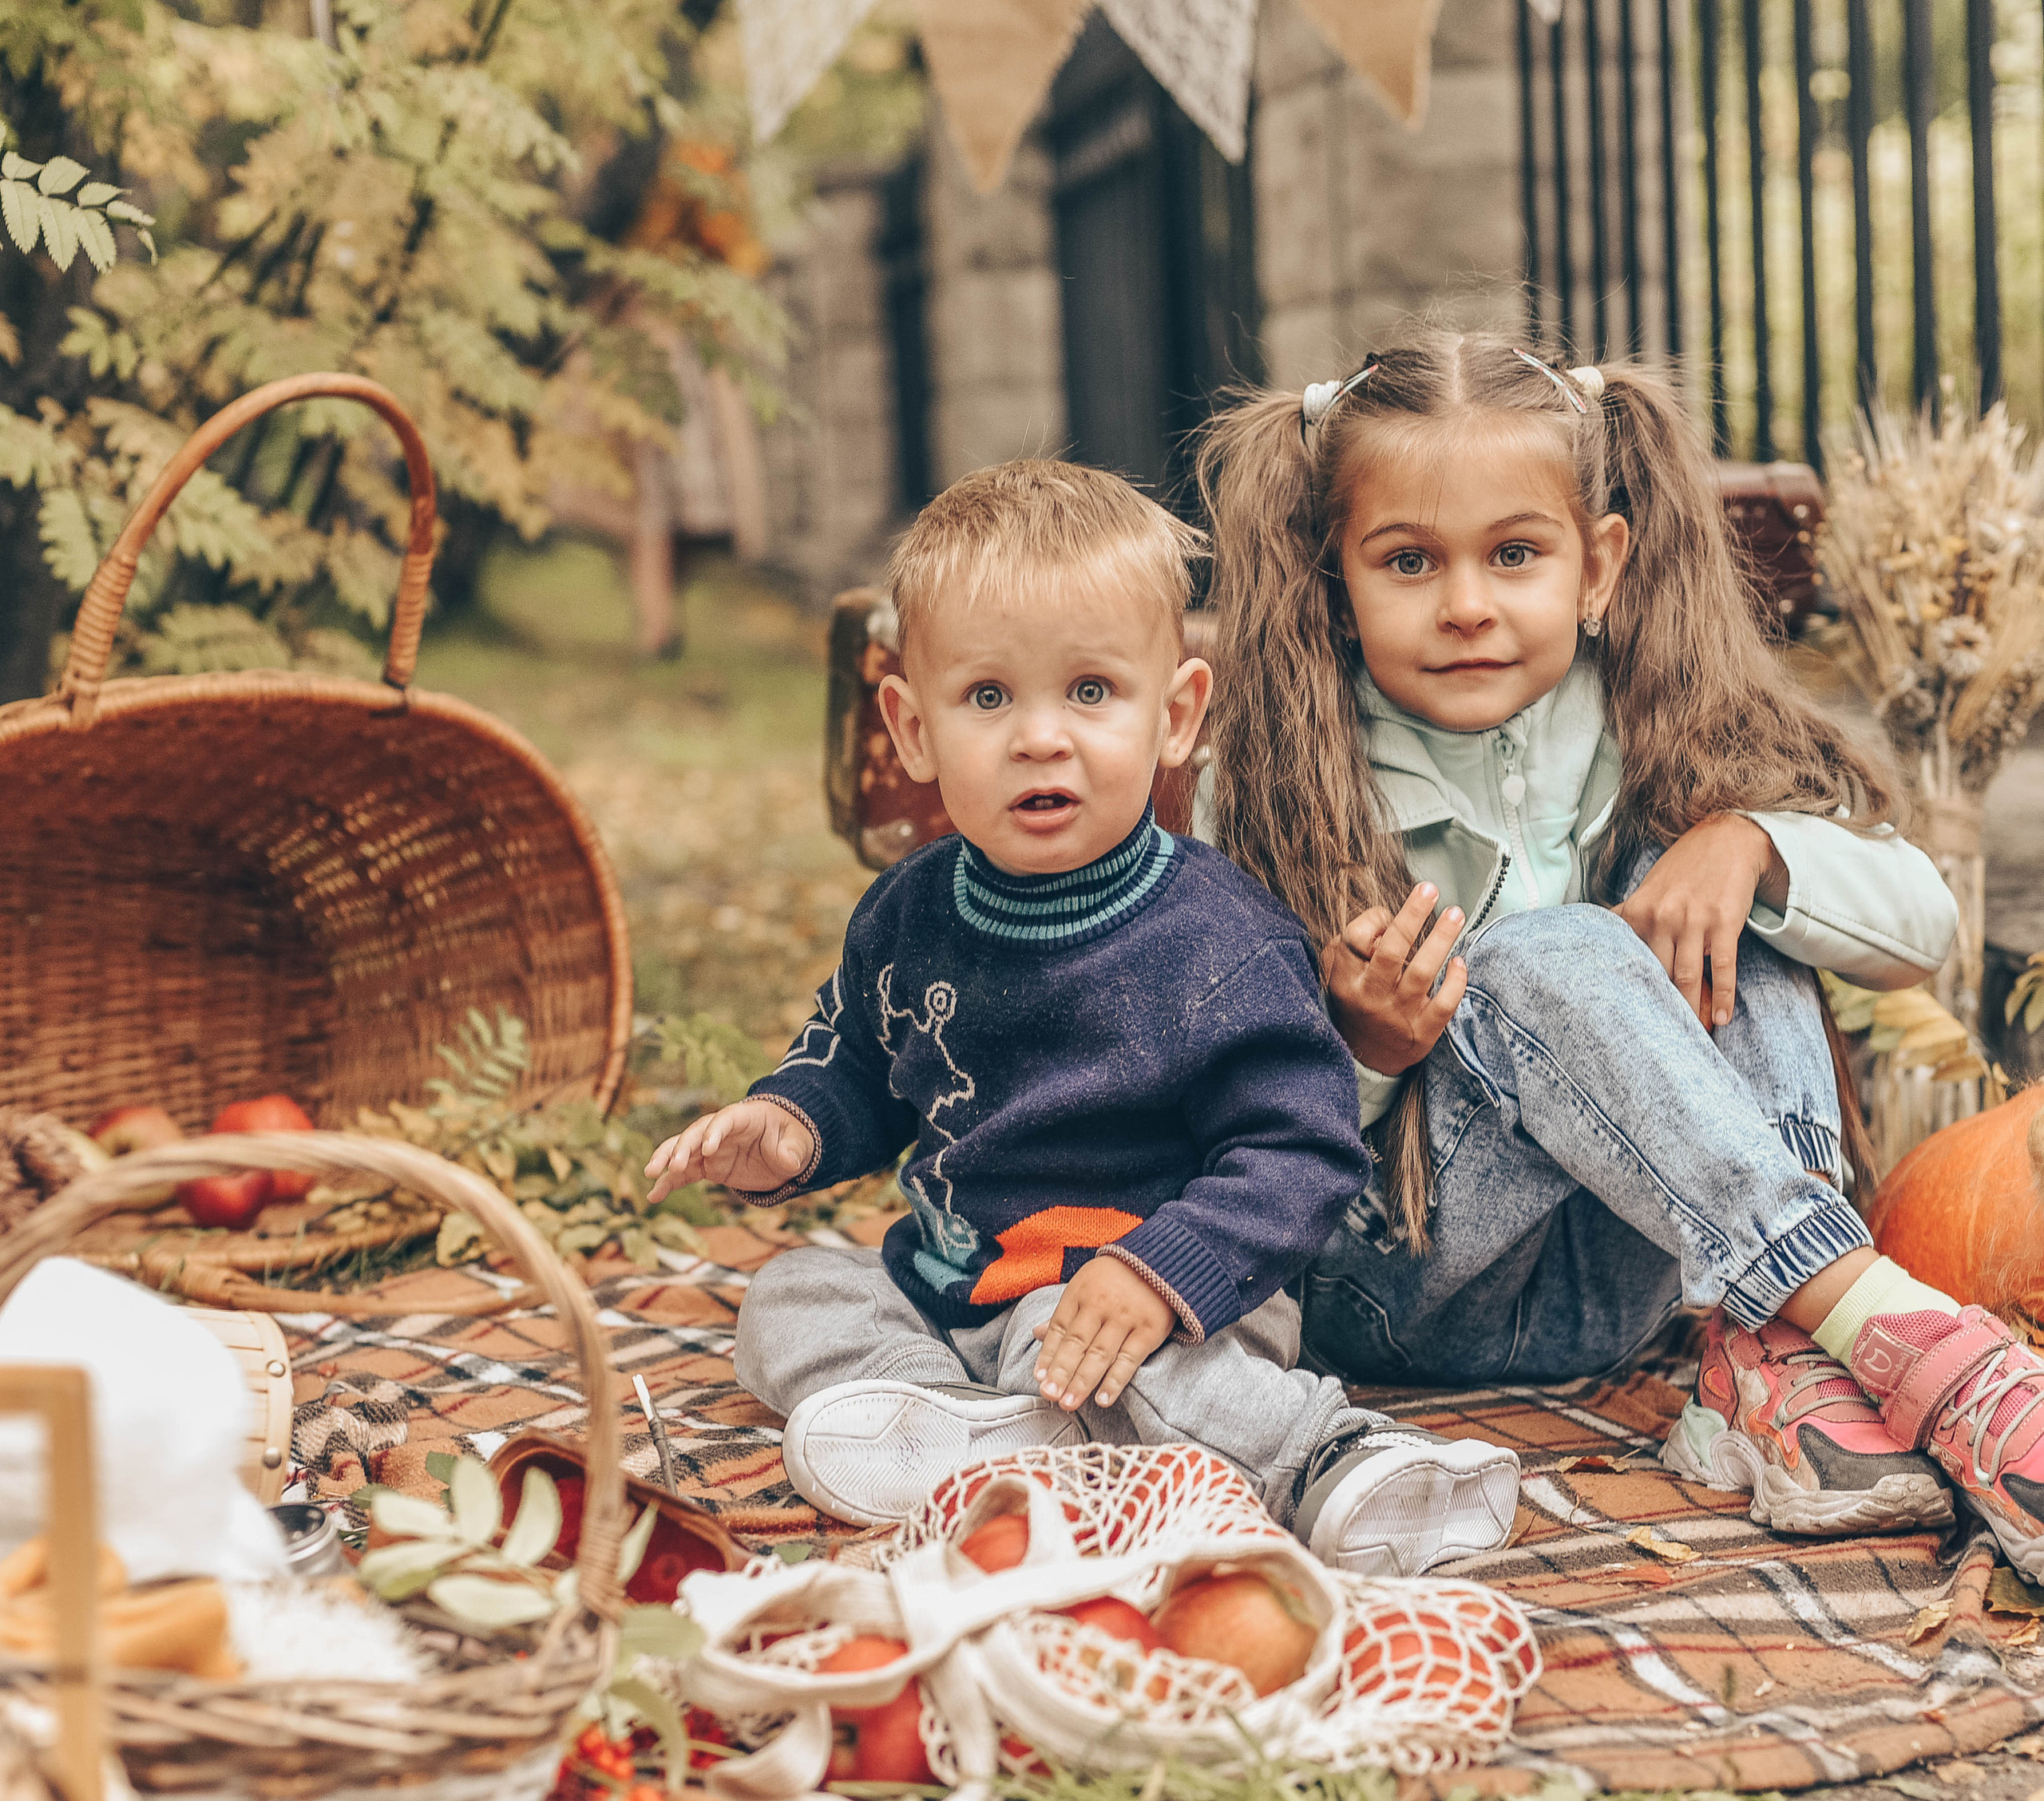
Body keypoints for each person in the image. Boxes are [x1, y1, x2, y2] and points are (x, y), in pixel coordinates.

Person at [1195, 330, 2043, 1585]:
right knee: (1553, 953)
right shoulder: (1271, 788)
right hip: (1403, 1288)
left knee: (1727, 903)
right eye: (1409, 562)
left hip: (1642, 1284)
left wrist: (1755, 844)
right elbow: (1217, 1127)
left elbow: (1918, 929)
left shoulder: (1673, 718)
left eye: (1516, 554)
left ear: (1599, 567)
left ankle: (1781, 1368)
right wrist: (1367, 1054)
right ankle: (1918, 1347)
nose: (1469, 603)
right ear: (1335, 579)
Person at [645, 459, 1521, 1573]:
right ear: (913, 731)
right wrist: (790, 1127)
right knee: (788, 1296)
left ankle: (1333, 1456)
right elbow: (859, 1064)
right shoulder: (909, 912)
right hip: (957, 1288)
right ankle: (957, 1431)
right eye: (989, 698)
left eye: (1092, 693)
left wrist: (1165, 1271)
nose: (1041, 738)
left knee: (1150, 1379)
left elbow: (1301, 1151)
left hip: (1158, 1302)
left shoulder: (1217, 936)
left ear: (1178, 716)